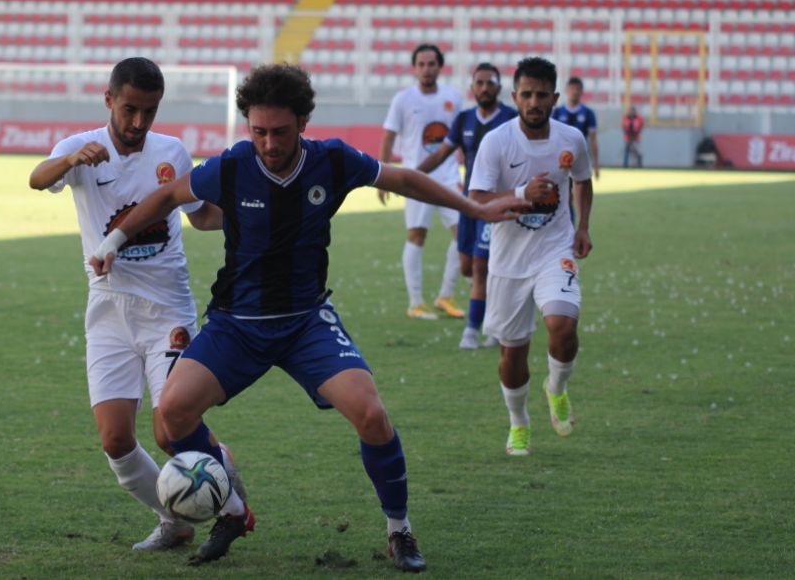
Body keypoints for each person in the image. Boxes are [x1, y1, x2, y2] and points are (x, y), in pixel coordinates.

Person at [90, 64, 526, 571]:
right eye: (258, 131)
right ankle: (231, 508)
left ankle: (399, 530)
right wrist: (114, 241)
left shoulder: (334, 160)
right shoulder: (231, 165)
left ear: (303, 122)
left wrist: (476, 211)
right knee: (172, 418)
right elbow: (168, 196)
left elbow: (404, 178)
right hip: (237, 324)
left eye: (279, 132)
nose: (268, 143)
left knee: (372, 415)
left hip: (305, 322)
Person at [28, 57, 239, 553]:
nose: (139, 123)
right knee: (116, 441)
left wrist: (249, 218)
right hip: (106, 310)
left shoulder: (171, 152)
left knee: (171, 427)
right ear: (108, 101)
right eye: (129, 110)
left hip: (167, 311)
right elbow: (38, 179)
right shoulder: (77, 149)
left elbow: (201, 216)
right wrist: (71, 160)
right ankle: (175, 520)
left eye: (149, 111)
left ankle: (233, 507)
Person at [469, 57, 593, 458]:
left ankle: (556, 388)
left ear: (555, 97)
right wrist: (524, 193)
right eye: (527, 94)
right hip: (508, 261)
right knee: (513, 352)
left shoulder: (571, 138)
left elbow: (583, 181)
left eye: (542, 94)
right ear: (515, 96)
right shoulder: (497, 142)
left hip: (554, 249)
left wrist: (583, 226)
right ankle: (519, 422)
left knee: (562, 323)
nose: (534, 101)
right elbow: (478, 201)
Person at [415, 62, 517, 350]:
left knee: (482, 266)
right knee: (467, 267)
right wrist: (412, 175)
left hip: (496, 204)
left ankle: (474, 331)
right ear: (472, 88)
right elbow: (441, 155)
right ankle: (497, 313)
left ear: (499, 87)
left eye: (490, 83)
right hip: (468, 203)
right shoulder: (463, 120)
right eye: (479, 83)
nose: (484, 88)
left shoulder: (511, 119)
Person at [378, 44, 466, 320]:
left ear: (440, 66)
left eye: (431, 63)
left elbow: (463, 137)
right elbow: (389, 138)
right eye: (422, 64)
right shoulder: (403, 99)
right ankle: (415, 302)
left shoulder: (454, 98)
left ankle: (445, 296)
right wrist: (383, 177)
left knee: (463, 234)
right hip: (415, 178)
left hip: (450, 177)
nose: (427, 69)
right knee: (417, 235)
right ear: (415, 68)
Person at [551, 77, 600, 181]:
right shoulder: (557, 112)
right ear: (566, 90)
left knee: (580, 190)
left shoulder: (588, 113)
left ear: (582, 91)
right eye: (572, 88)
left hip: (580, 157)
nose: (574, 92)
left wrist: (596, 165)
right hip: (558, 158)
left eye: (577, 89)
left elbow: (593, 140)